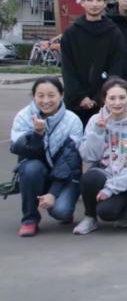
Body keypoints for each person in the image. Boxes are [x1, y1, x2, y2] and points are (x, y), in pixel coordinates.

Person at [10, 77, 84, 236]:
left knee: (61, 212)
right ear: (34, 96)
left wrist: (53, 193)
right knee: (30, 168)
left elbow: (69, 160)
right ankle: (29, 219)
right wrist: (37, 135)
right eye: (40, 95)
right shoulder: (23, 116)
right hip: (37, 172)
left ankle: (61, 202)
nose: (45, 101)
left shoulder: (72, 120)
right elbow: (17, 148)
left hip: (65, 176)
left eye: (51, 95)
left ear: (61, 95)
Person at [74, 78, 127, 235]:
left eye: (122, 97)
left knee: (108, 212)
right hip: (104, 173)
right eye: (112, 98)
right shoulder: (95, 120)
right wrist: (98, 131)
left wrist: (111, 189)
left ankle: (122, 208)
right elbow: (88, 156)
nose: (117, 103)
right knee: (90, 178)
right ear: (104, 100)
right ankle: (90, 217)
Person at [60, 0, 124, 124]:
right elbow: (68, 69)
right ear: (82, 2)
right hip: (75, 102)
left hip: (104, 101)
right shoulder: (71, 33)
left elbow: (115, 68)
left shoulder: (114, 33)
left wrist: (99, 97)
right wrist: (80, 96)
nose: (94, 4)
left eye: (99, 0)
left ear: (105, 3)